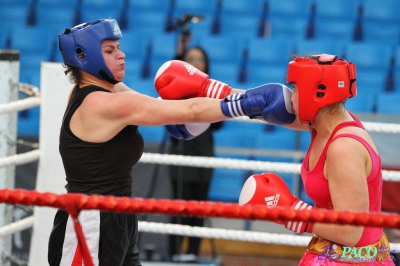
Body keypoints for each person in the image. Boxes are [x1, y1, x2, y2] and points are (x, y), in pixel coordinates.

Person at [47, 18, 296, 266]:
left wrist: (237, 94)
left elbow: (163, 106)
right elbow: (190, 112)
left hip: (118, 215)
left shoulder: (110, 91)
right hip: (88, 223)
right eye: (110, 51)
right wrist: (249, 102)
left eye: (118, 47)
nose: (121, 55)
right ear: (84, 57)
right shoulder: (100, 103)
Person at [236, 54, 395, 265]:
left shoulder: (343, 149)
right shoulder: (324, 124)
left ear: (316, 93)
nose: (291, 98)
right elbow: (266, 105)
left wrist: (293, 213)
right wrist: (214, 91)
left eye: (296, 89)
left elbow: (350, 233)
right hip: (330, 253)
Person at [165, 32, 223, 262]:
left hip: (204, 154)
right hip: (180, 153)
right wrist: (179, 51)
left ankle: (193, 255)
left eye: (200, 59)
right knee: (178, 207)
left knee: (199, 208)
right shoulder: (175, 91)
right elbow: (168, 78)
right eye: (190, 59)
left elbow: (217, 126)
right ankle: (171, 255)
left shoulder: (212, 91)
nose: (195, 63)